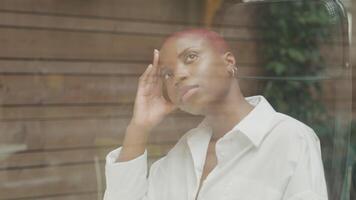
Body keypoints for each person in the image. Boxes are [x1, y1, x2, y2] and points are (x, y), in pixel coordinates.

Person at [103, 28, 328, 200]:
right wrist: (139, 127)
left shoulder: (290, 139)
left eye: (190, 57)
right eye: (167, 73)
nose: (178, 75)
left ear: (228, 62)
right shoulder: (183, 153)